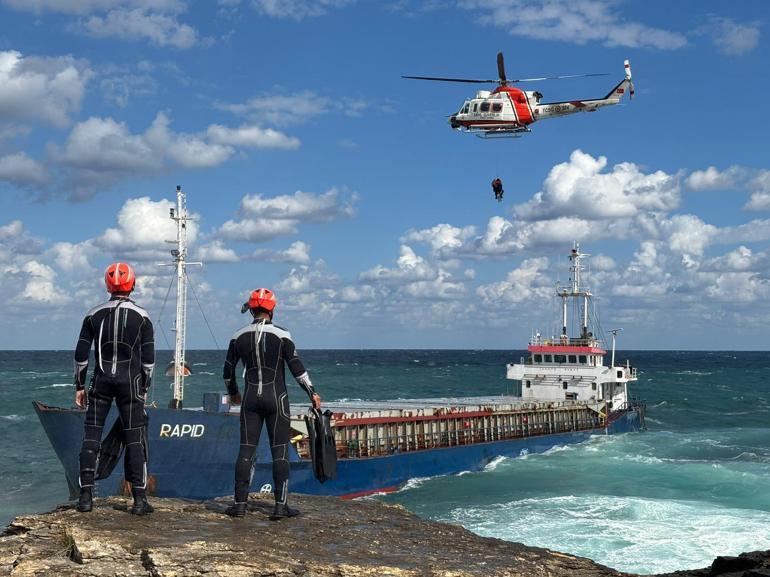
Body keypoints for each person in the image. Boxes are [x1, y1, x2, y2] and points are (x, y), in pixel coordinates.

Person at [223, 288, 321, 520]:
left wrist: (234, 393)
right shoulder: (282, 335)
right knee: (280, 451)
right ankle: (280, 506)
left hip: (249, 399)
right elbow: (297, 369)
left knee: (246, 450)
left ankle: (239, 505)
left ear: (252, 309)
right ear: (272, 309)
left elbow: (227, 371)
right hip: (276, 397)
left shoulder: (238, 336)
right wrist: (312, 393)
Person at [74, 262, 155, 515]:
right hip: (130, 384)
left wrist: (79, 386)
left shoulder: (92, 315)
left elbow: (80, 356)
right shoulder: (142, 316)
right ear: (132, 284)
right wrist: (144, 386)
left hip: (100, 382)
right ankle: (139, 501)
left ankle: (85, 498)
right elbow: (149, 361)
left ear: (108, 285)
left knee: (91, 438)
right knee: (134, 440)